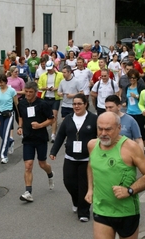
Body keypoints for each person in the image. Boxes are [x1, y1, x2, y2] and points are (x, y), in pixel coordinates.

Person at [85, 112, 145, 239]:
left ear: (119, 128)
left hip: (126, 212)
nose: (103, 133)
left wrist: (130, 190)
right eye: (100, 129)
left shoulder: (130, 147)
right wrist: (90, 189)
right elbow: (91, 165)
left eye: (108, 129)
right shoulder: (92, 145)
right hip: (101, 209)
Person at [49, 93, 97, 222]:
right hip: (70, 157)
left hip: (87, 159)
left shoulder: (93, 119)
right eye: (74, 104)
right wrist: (54, 151)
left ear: (85, 105)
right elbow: (60, 136)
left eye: (79, 104)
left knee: (84, 186)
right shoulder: (68, 119)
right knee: (69, 182)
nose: (76, 106)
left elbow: (99, 138)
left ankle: (84, 212)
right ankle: (76, 201)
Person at [17, 81, 55, 202]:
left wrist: (40, 125)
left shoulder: (42, 104)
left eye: (30, 92)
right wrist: (20, 127)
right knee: (28, 166)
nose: (28, 94)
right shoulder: (21, 104)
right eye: (26, 91)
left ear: (36, 92)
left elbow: (51, 120)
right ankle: (28, 191)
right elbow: (21, 116)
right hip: (28, 138)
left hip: (40, 138)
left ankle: (50, 173)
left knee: (42, 164)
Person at [0, 74, 18, 164]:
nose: (0, 84)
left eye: (2, 82)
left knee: (6, 134)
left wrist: (20, 116)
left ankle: (3, 156)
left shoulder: (12, 91)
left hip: (9, 114)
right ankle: (10, 141)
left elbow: (16, 104)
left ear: (6, 82)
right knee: (2, 134)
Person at [37, 60, 64, 143]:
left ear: (53, 67)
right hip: (46, 97)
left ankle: (53, 134)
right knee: (44, 116)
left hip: (55, 98)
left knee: (54, 115)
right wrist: (45, 88)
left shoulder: (59, 75)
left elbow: (63, 84)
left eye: (50, 69)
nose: (49, 70)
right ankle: (44, 133)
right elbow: (39, 86)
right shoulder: (43, 76)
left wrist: (56, 88)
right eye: (48, 69)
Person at [121, 69, 145, 149]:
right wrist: (124, 102)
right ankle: (132, 149)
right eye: (130, 78)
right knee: (129, 132)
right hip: (129, 112)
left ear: (137, 78)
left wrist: (136, 96)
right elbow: (124, 97)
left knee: (141, 133)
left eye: (134, 78)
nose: (132, 79)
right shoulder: (127, 87)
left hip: (139, 113)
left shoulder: (141, 87)